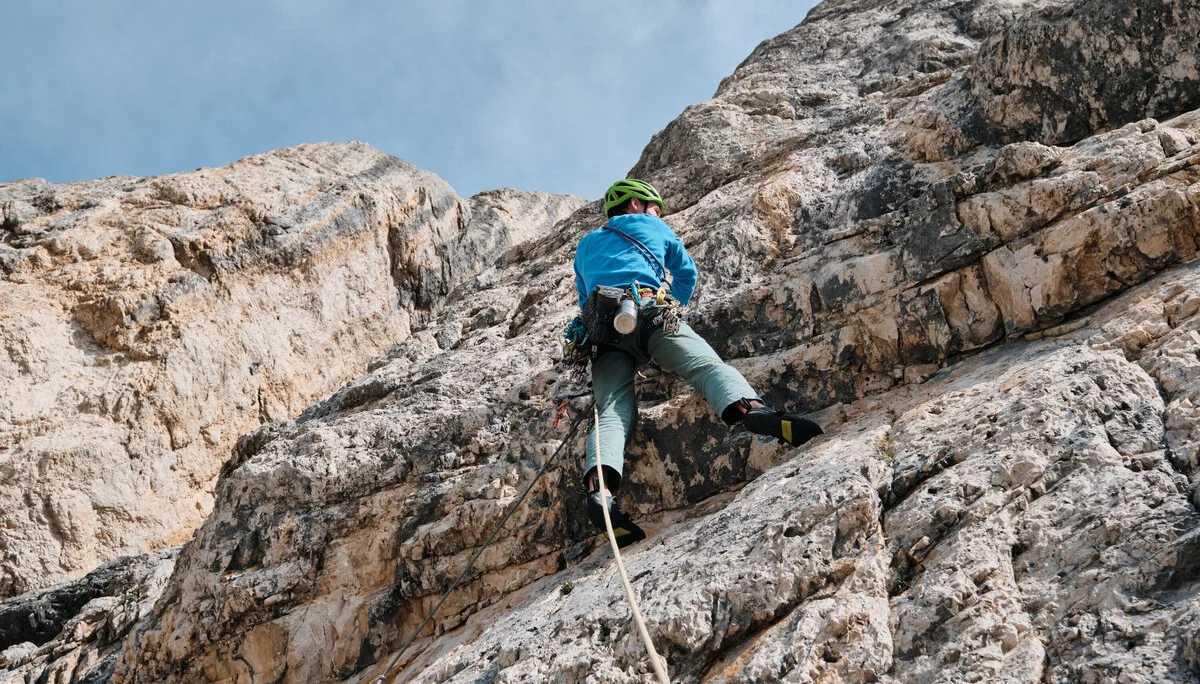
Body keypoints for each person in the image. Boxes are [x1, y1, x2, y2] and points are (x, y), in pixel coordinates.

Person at [572, 178, 822, 547]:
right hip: (650, 312)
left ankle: (601, 490)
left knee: (610, 410)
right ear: (637, 205)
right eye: (654, 207)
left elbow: (583, 300)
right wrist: (674, 303)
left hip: (604, 335)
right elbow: (687, 273)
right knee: (704, 367)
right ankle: (749, 408)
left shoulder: (586, 245)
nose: (658, 213)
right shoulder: (652, 226)